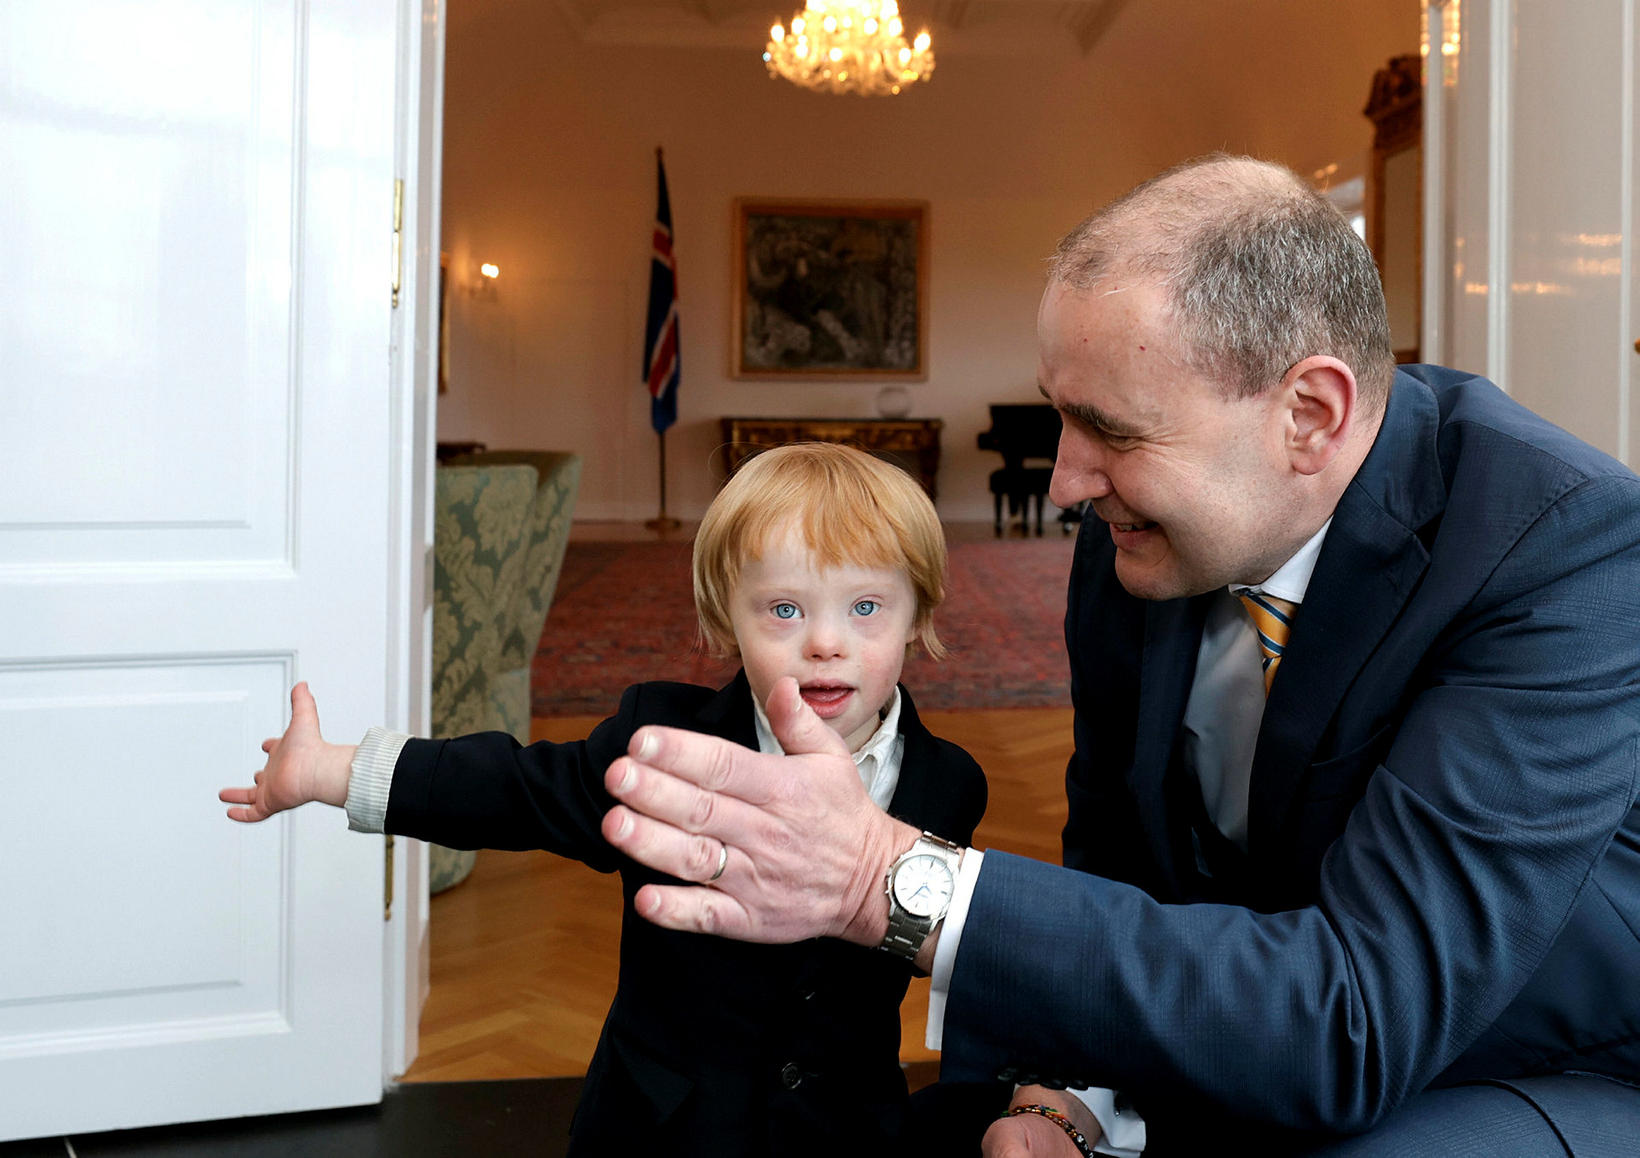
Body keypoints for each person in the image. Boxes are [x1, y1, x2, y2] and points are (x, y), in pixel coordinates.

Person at [593, 155, 1640, 1157]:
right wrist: (1057, 1097)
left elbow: (1354, 1019)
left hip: (1530, 1067)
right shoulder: (1139, 543)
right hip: (1261, 1030)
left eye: (1109, 431)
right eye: (1058, 414)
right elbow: (1115, 857)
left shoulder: (1560, 552)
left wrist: (882, 878)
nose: (1064, 482)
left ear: (1306, 415)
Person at [218, 442, 987, 1158]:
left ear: (917, 615)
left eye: (864, 608)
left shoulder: (947, 784)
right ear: (728, 617)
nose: (826, 642)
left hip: (846, 1131)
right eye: (785, 609)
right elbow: (509, 790)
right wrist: (328, 771)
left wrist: (1031, 1098)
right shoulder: (659, 744)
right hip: (661, 1129)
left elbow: (973, 954)